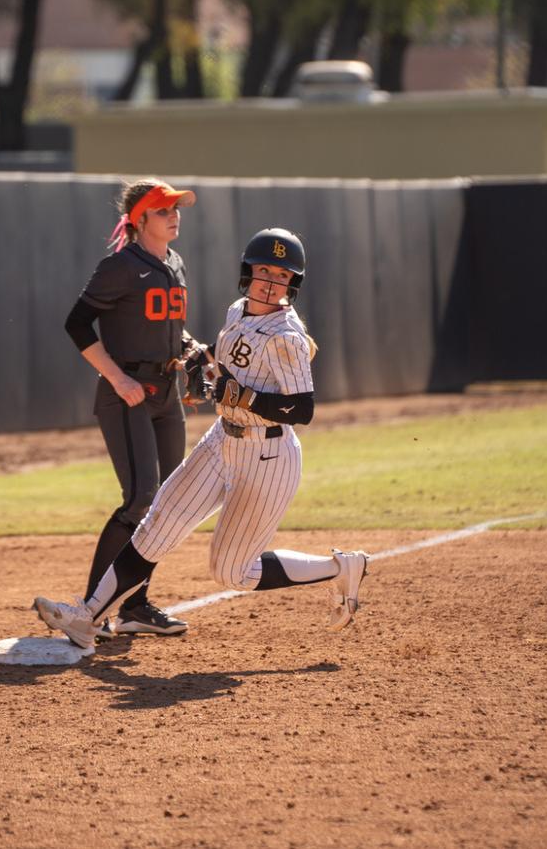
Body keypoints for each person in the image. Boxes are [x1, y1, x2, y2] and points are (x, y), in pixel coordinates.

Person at [33, 228, 371, 649]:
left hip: (266, 458)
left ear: (292, 284)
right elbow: (228, 359)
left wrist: (244, 396)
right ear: (248, 272)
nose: (269, 281)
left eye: (281, 275)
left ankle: (341, 568)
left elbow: (302, 409)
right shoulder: (238, 310)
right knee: (157, 524)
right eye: (263, 269)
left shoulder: (287, 337)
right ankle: (88, 617)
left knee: (233, 574)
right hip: (219, 442)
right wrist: (203, 360)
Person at [60, 178, 208, 638]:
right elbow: (77, 324)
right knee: (141, 497)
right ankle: (91, 609)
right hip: (127, 391)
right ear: (140, 219)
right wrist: (117, 378)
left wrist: (191, 348)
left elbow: (167, 327)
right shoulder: (120, 266)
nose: (174, 215)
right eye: (163, 210)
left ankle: (134, 607)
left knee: (164, 504)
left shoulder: (174, 264)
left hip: (166, 392)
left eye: (175, 209)